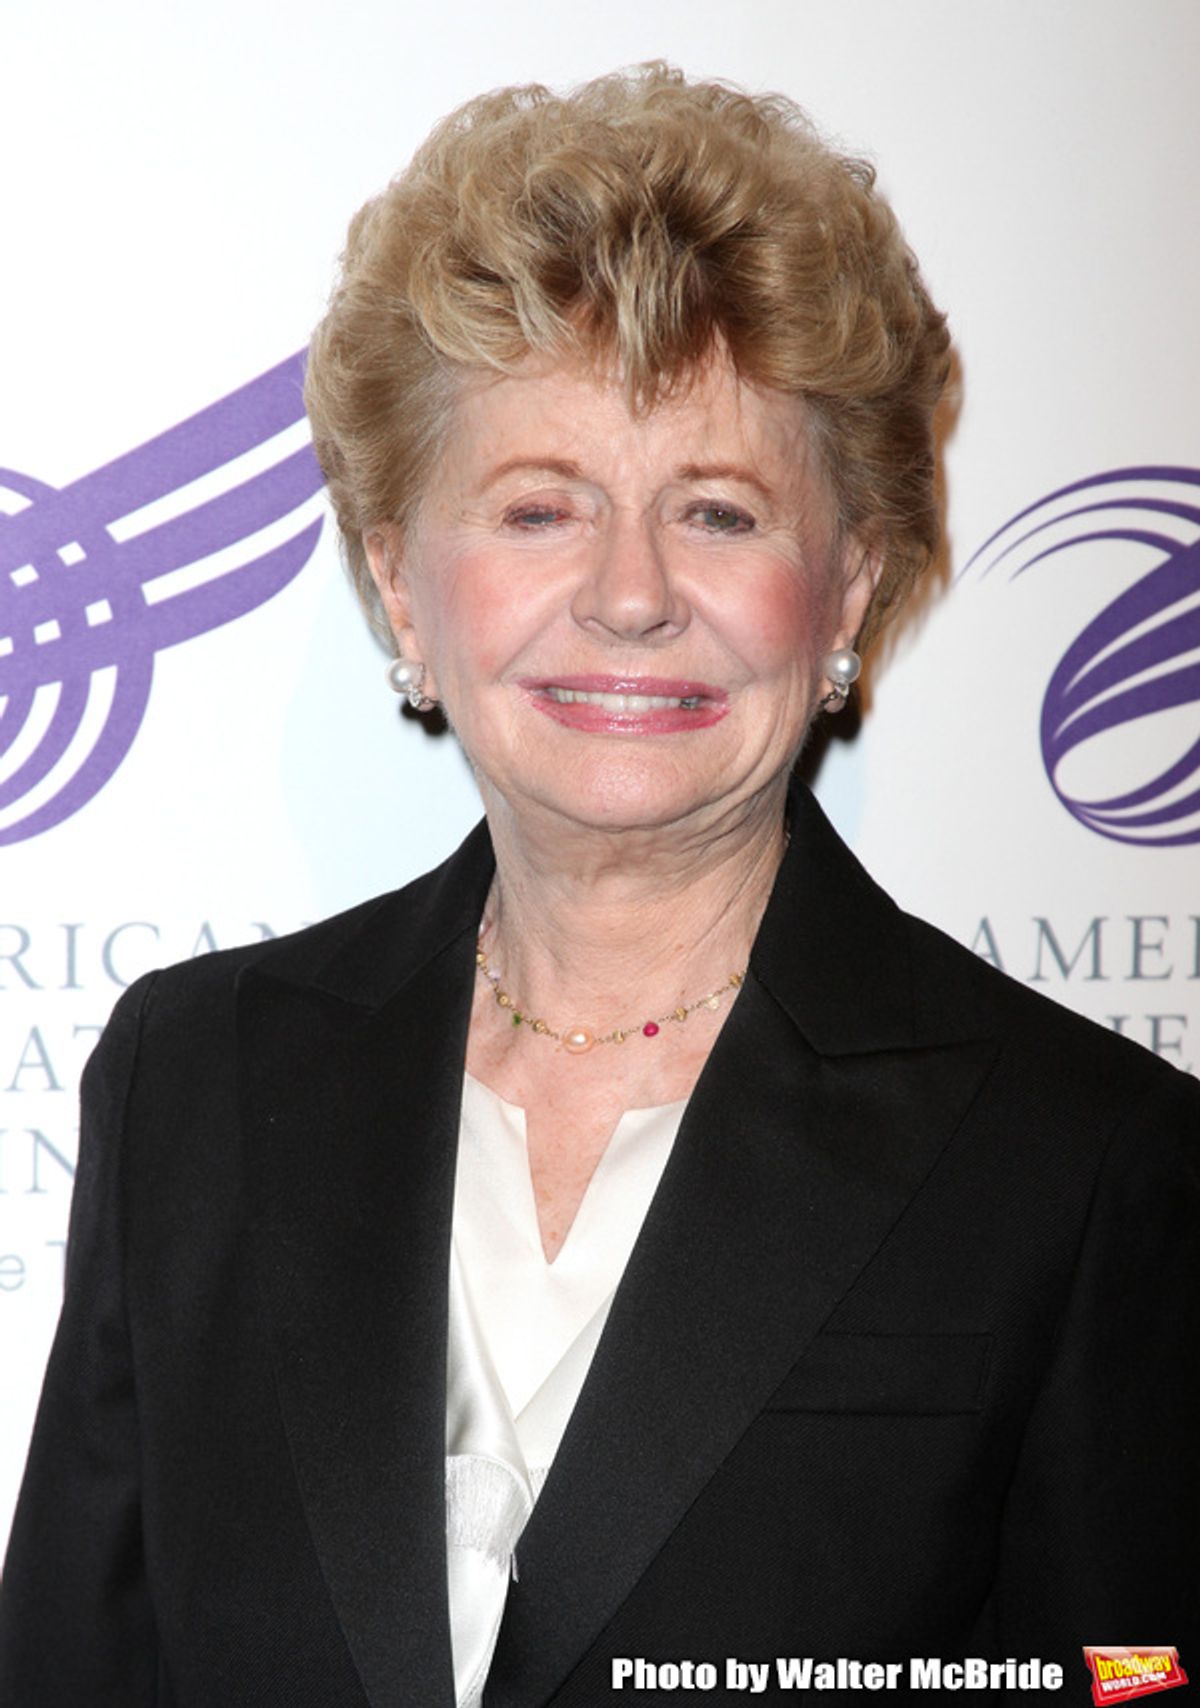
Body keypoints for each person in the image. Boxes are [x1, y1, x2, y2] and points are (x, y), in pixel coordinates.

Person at [0, 62, 1195, 1708]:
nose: (630, 595)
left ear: (844, 585)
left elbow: (1139, 1680)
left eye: (717, 509)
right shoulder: (196, 1084)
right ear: (401, 586)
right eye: (539, 507)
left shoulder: (1085, 1158)